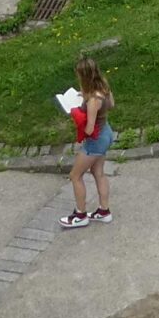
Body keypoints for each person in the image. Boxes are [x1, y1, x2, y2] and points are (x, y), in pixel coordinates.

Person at [61, 55, 115, 230]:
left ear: (83, 76)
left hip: (95, 141)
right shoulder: (103, 88)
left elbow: (90, 130)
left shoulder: (93, 101)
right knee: (98, 172)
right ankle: (104, 211)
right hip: (106, 133)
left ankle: (80, 214)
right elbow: (112, 105)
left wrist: (76, 115)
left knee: (75, 176)